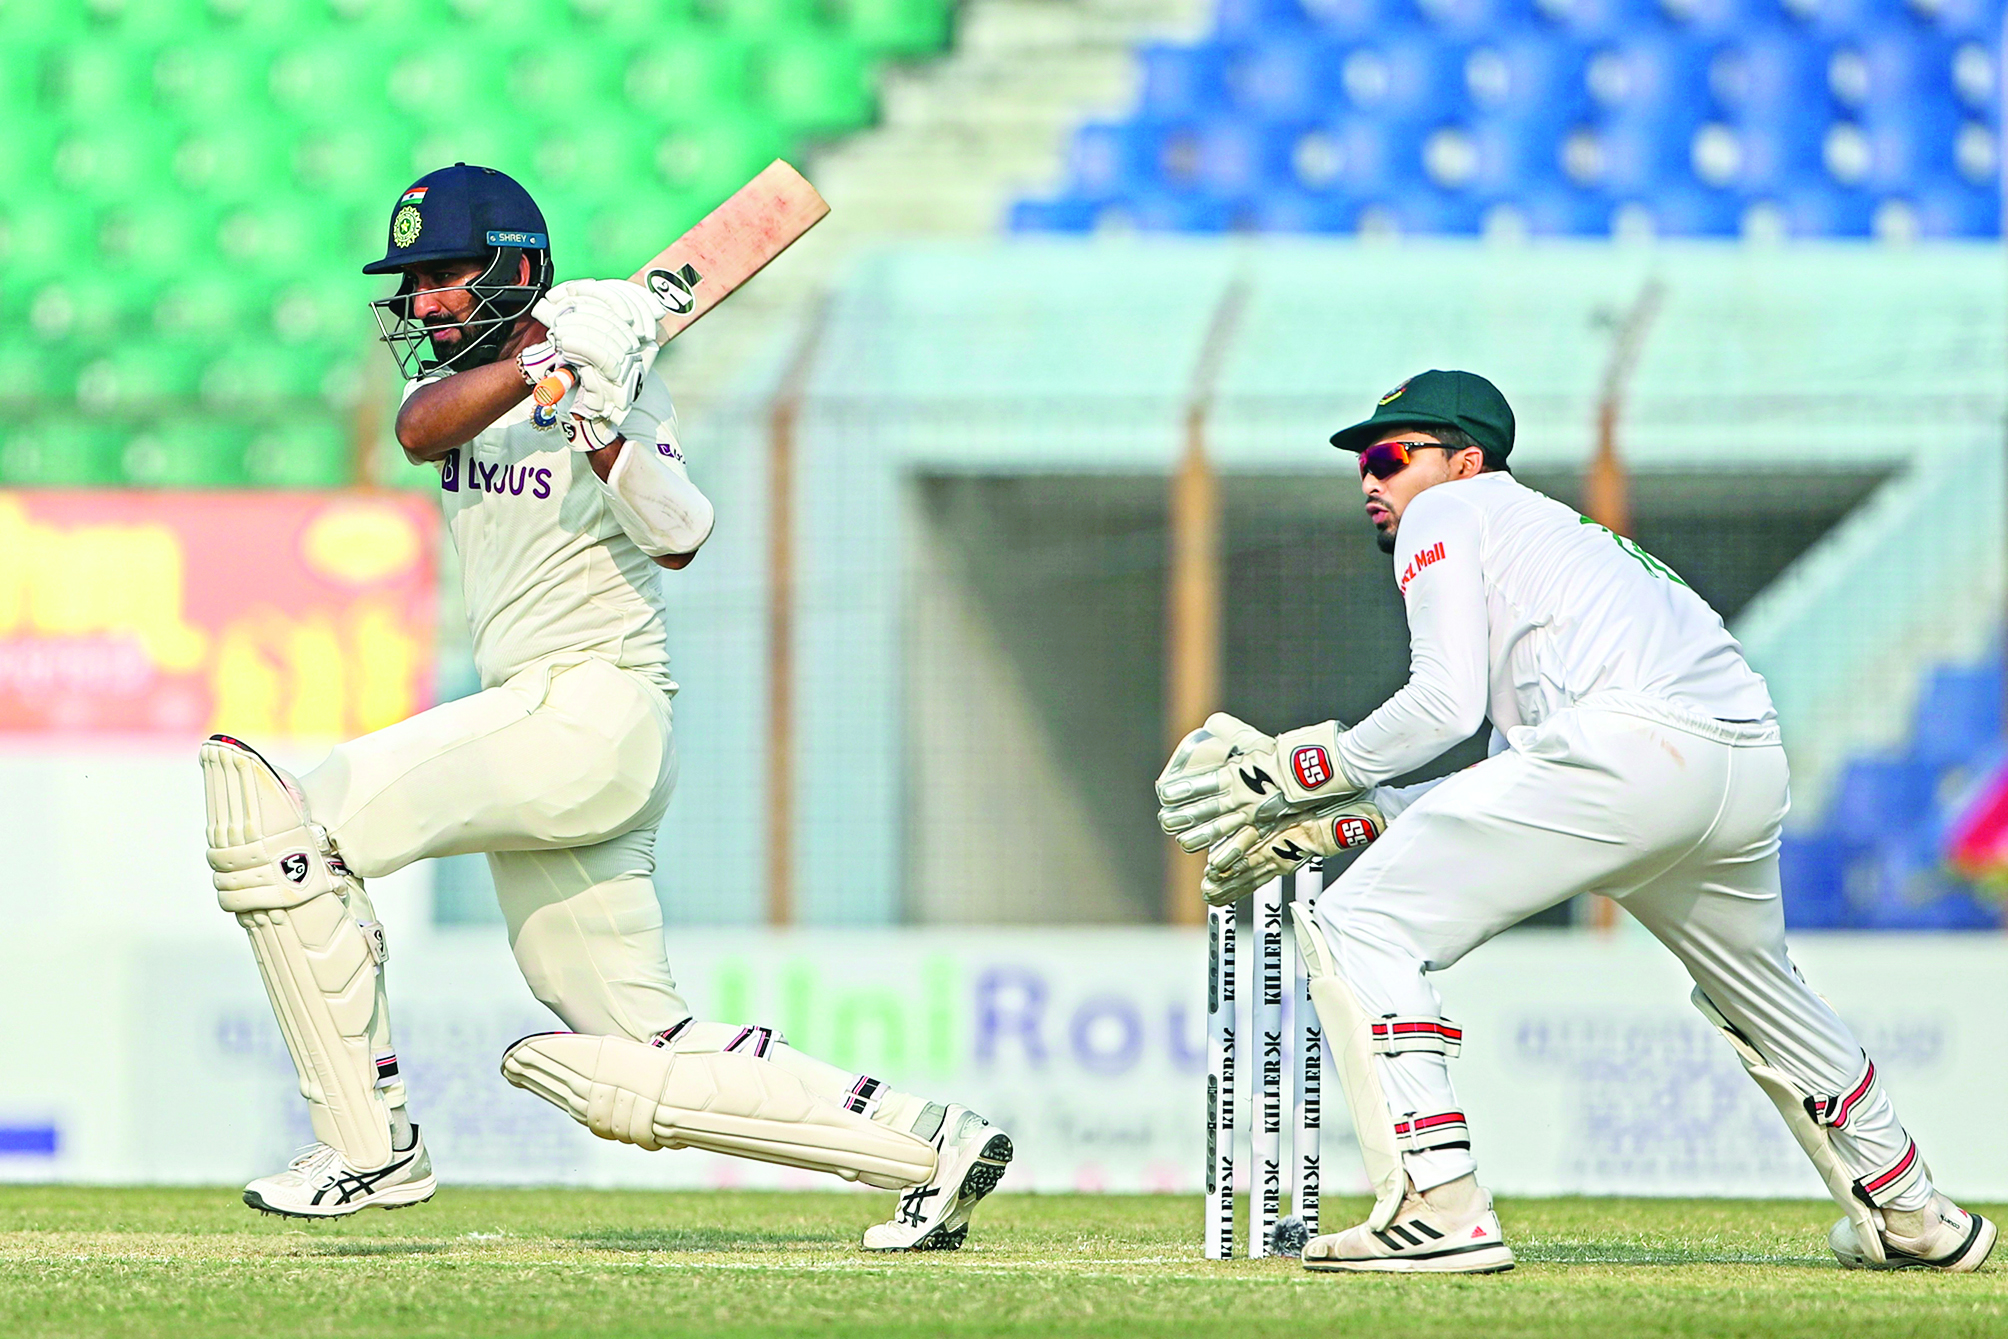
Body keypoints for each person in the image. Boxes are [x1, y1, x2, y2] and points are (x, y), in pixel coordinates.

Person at [200, 164, 1009, 1250]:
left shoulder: (614, 386)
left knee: (282, 825)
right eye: (414, 282)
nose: (425, 301)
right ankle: (929, 1146)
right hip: (556, 730)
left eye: (445, 275)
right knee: (639, 1046)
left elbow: (680, 534)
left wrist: (602, 424)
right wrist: (547, 357)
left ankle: (368, 1148)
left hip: (590, 711)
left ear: (517, 266)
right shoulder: (477, 381)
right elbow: (420, 430)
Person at [1156, 369, 1992, 1274]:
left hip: (1628, 753)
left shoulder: (1451, 511)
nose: (1372, 477)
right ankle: (1914, 1213)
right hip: (1740, 762)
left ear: (1464, 460)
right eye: (1364, 460)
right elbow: (1509, 780)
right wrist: (1364, 815)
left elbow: (1441, 707)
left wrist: (1296, 772)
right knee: (1762, 992)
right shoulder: (1551, 542)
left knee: (1361, 923)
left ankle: (1438, 1205)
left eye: (1394, 455)